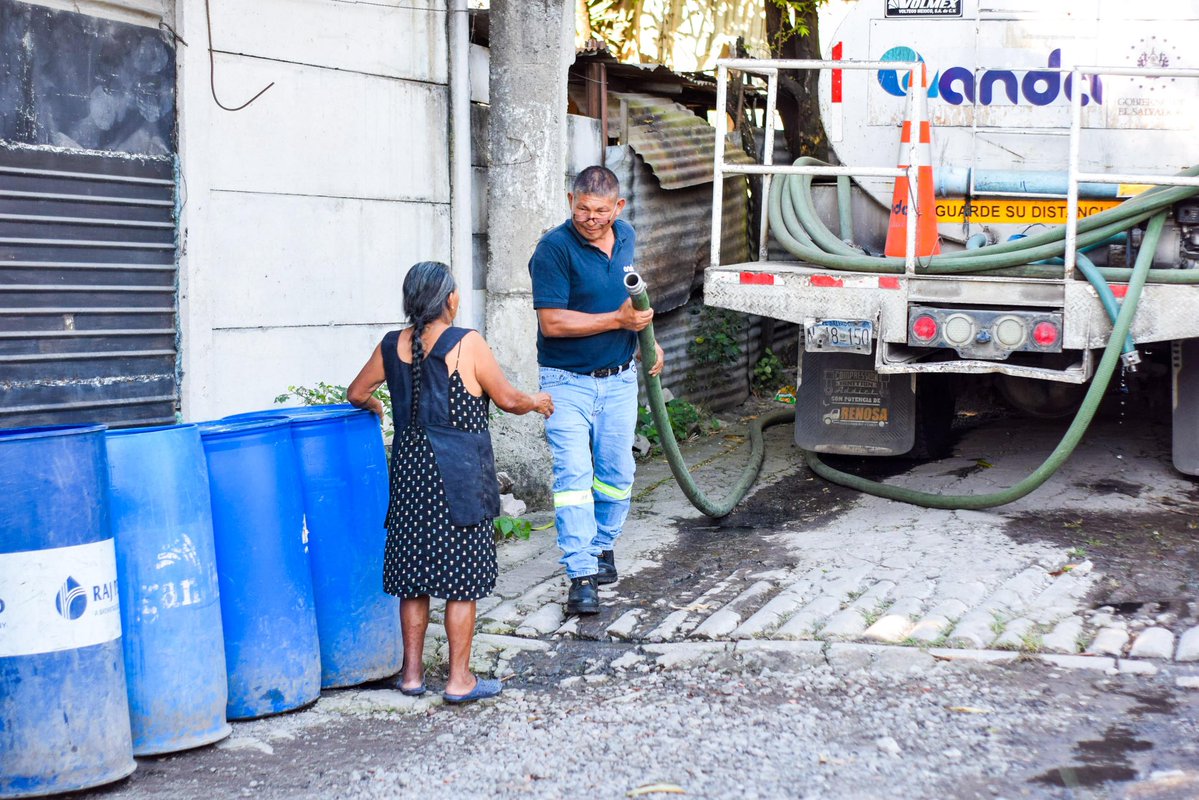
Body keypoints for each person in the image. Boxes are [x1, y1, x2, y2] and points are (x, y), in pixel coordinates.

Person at [348, 261, 553, 704]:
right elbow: (507, 399)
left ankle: (412, 676)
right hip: (459, 477)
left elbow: (356, 393)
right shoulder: (467, 343)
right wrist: (535, 401)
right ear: (450, 300)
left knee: (412, 577)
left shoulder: (390, 345)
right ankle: (460, 680)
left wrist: (378, 409)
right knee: (462, 579)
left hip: (409, 476)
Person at [528, 165, 664, 616]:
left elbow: (631, 299)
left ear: (618, 207)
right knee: (573, 479)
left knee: (617, 474)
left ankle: (603, 546)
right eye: (583, 209)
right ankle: (581, 575)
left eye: (601, 211)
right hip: (566, 382)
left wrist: (648, 340)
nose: (591, 218)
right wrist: (617, 322)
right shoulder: (553, 249)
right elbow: (552, 322)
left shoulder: (624, 236)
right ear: (571, 201)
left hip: (620, 379)